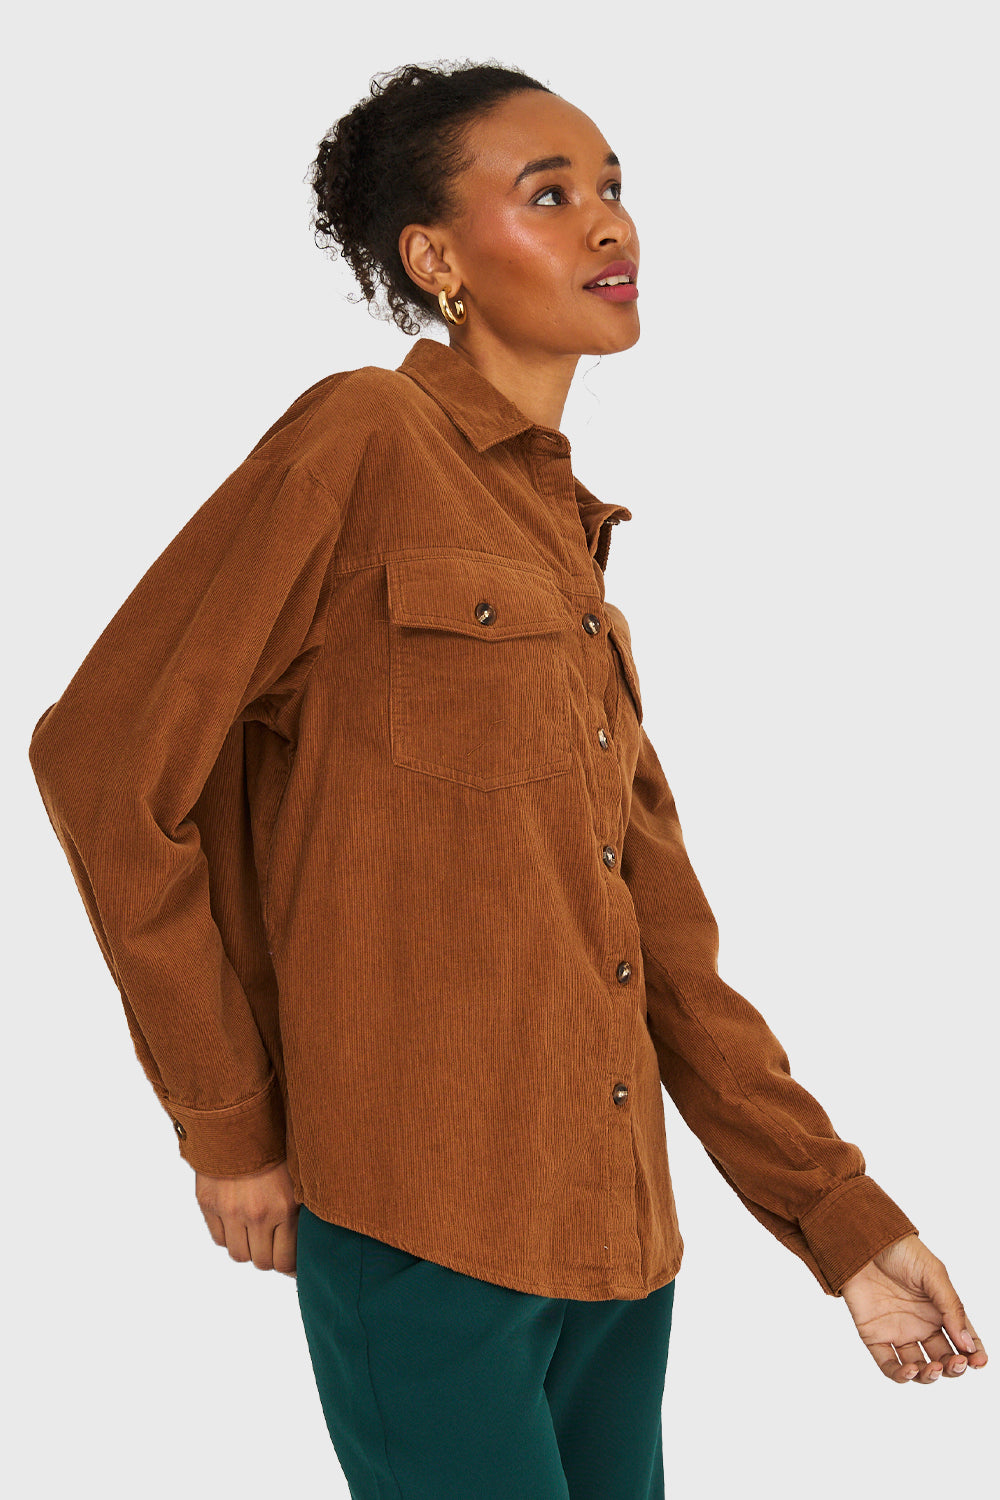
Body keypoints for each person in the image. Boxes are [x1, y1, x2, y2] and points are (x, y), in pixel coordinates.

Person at [27, 58, 987, 1500]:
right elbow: (108, 760)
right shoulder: (359, 441)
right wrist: (229, 1124)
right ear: (436, 260)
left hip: (620, 1245)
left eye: (614, 187)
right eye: (549, 194)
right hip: (425, 1224)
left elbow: (667, 954)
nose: (610, 223)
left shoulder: (565, 544)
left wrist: (843, 1223)